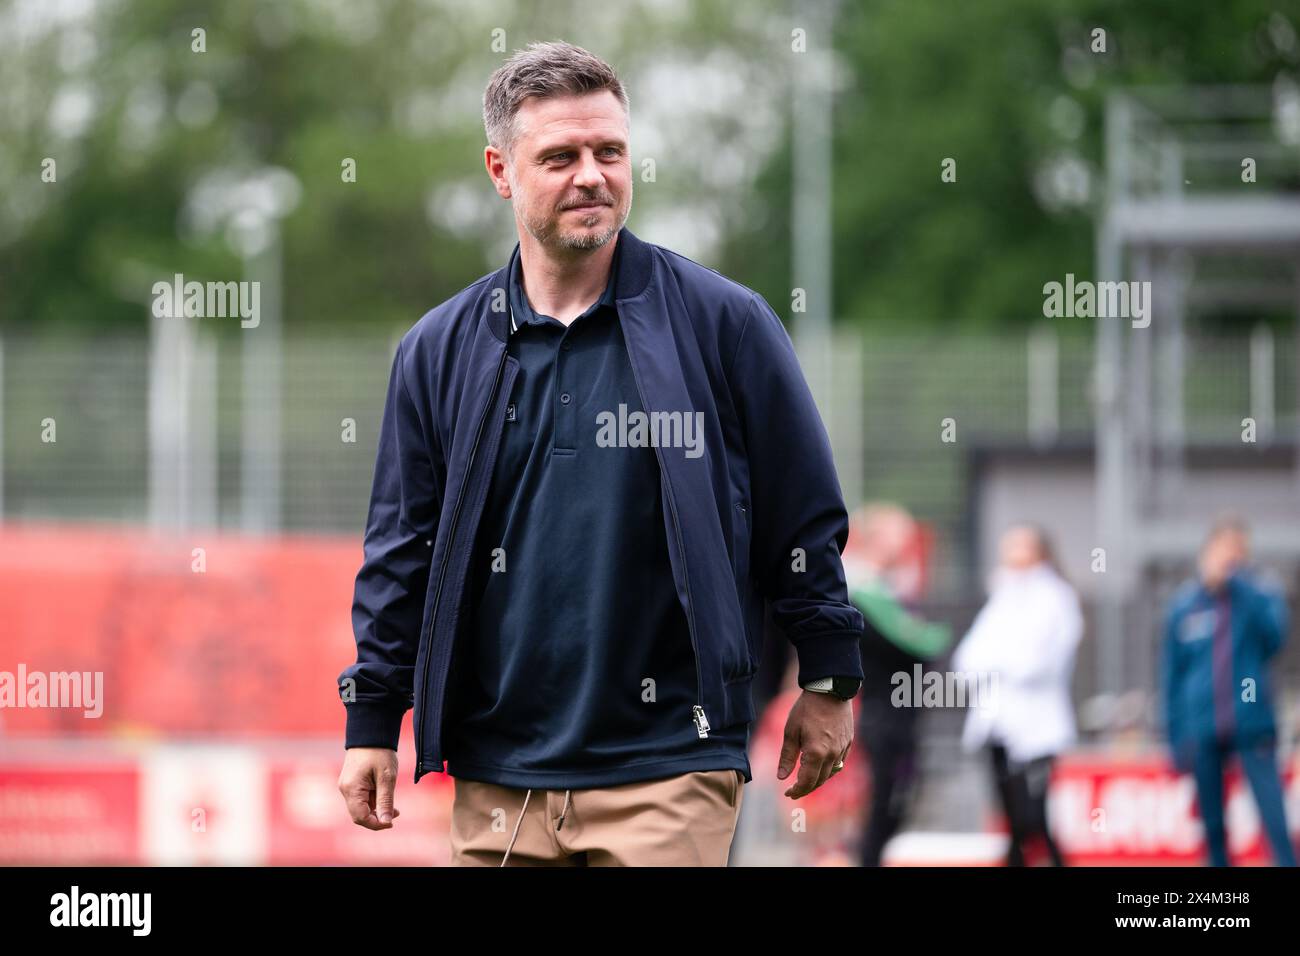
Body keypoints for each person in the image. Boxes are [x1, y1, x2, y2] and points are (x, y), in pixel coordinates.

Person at [335, 41, 864, 866]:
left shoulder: (725, 324)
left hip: (670, 768)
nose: (591, 174)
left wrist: (829, 676)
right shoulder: (437, 349)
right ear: (501, 171)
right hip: (497, 778)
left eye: (609, 151)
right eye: (560, 156)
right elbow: (401, 549)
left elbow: (802, 516)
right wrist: (372, 719)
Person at [1161, 515, 1296, 867]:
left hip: (1251, 720)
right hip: (1201, 725)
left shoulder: (1257, 595)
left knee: (1272, 812)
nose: (1228, 559)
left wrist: (1241, 586)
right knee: (1212, 824)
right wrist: (1175, 735)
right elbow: (1172, 674)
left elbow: (1275, 640)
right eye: (1222, 550)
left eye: (1237, 552)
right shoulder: (1186, 605)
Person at [952, 524, 1082, 866]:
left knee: (1033, 817)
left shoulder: (1056, 598)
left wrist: (997, 662)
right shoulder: (1002, 598)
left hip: (1037, 728)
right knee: (1011, 819)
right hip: (997, 726)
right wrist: (999, 662)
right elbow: (967, 660)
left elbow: (1036, 663)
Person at [848, 504, 952, 866]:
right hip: (882, 718)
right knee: (882, 806)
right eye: (900, 536)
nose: (908, 546)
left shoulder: (891, 593)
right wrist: (927, 636)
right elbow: (924, 644)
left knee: (896, 805)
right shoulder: (863, 593)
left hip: (899, 719)